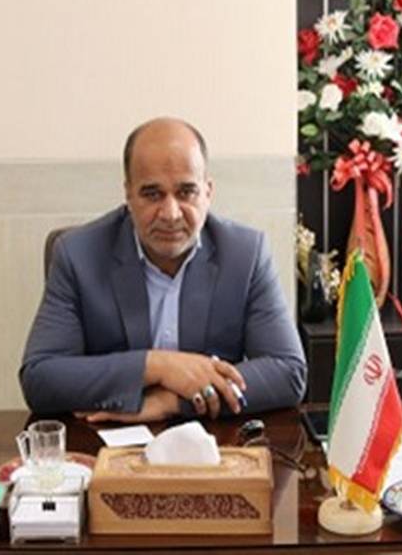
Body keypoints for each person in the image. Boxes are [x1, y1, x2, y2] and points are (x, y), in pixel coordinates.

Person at [19, 118, 306, 422]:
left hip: (214, 442)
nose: (170, 214)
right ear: (128, 194)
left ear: (207, 192)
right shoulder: (78, 254)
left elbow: (288, 372)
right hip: (108, 442)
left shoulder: (245, 253)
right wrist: (157, 366)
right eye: (152, 194)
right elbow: (40, 378)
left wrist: (171, 402)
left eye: (186, 192)